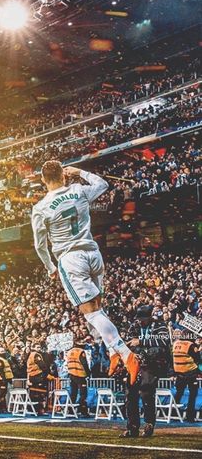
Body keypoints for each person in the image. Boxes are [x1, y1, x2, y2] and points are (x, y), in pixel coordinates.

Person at [31, 160, 139, 385]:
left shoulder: (41, 207)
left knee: (91, 313)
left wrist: (51, 268)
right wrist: (80, 172)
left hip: (71, 259)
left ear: (43, 180)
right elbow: (102, 185)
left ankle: (126, 354)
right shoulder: (78, 190)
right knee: (97, 309)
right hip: (93, 253)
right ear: (64, 175)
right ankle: (112, 351)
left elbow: (40, 246)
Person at [121, 305, 170, 438]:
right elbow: (129, 342)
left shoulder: (160, 325)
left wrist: (141, 342)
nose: (140, 321)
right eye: (139, 319)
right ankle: (132, 427)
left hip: (153, 365)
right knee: (130, 394)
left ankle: (149, 424)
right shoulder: (134, 326)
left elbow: (165, 341)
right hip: (135, 363)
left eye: (143, 319)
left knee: (146, 392)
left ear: (150, 317)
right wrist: (137, 351)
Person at [173, 330, 200, 422]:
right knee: (192, 395)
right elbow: (197, 358)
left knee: (178, 393)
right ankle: (190, 417)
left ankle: (173, 414)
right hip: (190, 372)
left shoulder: (175, 344)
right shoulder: (190, 345)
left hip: (179, 373)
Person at [66, 341, 90, 416]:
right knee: (83, 393)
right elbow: (84, 363)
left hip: (71, 374)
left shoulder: (69, 352)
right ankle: (83, 410)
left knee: (73, 393)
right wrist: (88, 373)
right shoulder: (80, 352)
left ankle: (70, 410)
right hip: (80, 374)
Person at [27, 344, 49, 415]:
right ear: (33, 348)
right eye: (37, 347)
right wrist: (46, 373)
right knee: (41, 394)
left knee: (33, 394)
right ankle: (40, 410)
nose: (39, 348)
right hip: (38, 377)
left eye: (40, 347)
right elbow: (42, 365)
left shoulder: (30, 355)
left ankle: (33, 410)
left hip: (32, 376)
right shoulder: (36, 355)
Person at [0, 347, 14, 413]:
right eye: (1, 351)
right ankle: (1, 409)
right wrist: (4, 379)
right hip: (1, 379)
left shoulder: (4, 359)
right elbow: (0, 371)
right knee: (1, 394)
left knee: (2, 394)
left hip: (4, 379)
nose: (3, 352)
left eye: (3, 351)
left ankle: (1, 409)